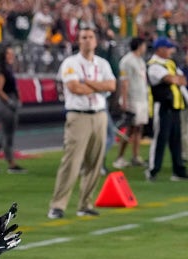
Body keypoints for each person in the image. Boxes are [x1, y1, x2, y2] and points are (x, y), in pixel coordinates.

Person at [47, 27, 116, 219]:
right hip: (79, 116)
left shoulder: (102, 63)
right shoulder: (71, 62)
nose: (87, 40)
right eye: (84, 37)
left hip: (100, 115)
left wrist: (88, 83)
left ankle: (85, 204)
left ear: (95, 41)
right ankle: (57, 205)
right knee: (72, 161)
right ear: (79, 41)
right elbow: (74, 87)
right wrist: (97, 86)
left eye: (91, 37)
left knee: (95, 162)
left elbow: (112, 85)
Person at [145, 37, 188, 181]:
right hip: (162, 106)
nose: (171, 50)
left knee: (176, 141)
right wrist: (175, 79)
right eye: (168, 48)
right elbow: (171, 79)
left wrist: (175, 79)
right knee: (160, 139)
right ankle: (153, 170)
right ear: (160, 49)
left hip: (175, 106)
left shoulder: (169, 63)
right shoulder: (154, 65)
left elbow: (182, 80)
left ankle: (179, 170)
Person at [0, 45, 27, 174]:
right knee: (7, 135)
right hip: (4, 104)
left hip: (6, 102)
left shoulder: (5, 69)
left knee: (3, 134)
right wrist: (10, 101)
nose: (11, 55)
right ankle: (11, 164)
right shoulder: (2, 70)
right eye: (8, 53)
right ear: (3, 56)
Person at [113, 37, 148, 169]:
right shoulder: (127, 61)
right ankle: (119, 157)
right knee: (130, 128)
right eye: (144, 45)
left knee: (139, 128)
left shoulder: (139, 60)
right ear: (139, 45)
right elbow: (124, 81)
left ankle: (135, 156)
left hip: (141, 98)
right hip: (133, 99)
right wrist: (124, 100)